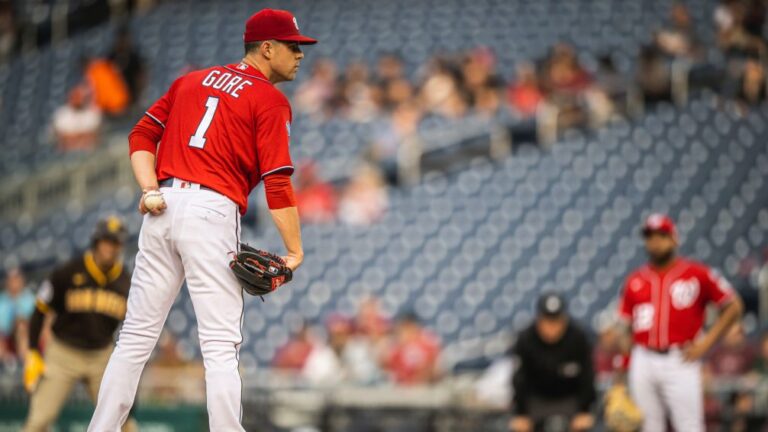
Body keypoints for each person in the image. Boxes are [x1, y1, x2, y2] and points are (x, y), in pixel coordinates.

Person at [88, 9, 314, 431]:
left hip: (164, 205)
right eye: (293, 46)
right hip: (212, 210)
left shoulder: (189, 81)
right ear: (266, 48)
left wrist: (149, 189)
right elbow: (278, 183)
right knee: (220, 347)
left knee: (134, 340)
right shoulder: (269, 99)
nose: (300, 55)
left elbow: (140, 135)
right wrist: (295, 251)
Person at [617, 213, 744, 432]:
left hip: (681, 357)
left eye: (661, 235)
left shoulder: (696, 274)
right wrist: (622, 369)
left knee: (689, 427)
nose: (655, 242)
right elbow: (626, 329)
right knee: (648, 427)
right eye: (650, 236)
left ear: (674, 238)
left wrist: (707, 343)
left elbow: (733, 306)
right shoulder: (634, 279)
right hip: (643, 358)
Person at [22, 217, 132, 432]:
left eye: (115, 242)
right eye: (107, 241)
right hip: (64, 353)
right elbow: (40, 310)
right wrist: (33, 351)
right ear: (96, 241)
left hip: (101, 355)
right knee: (38, 421)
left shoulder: (126, 282)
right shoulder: (68, 272)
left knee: (123, 422)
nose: (110, 247)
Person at [509, 293, 596, 432]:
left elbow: (587, 375)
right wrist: (520, 413)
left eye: (556, 321)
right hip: (537, 399)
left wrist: (584, 409)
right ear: (539, 319)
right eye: (547, 321)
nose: (552, 327)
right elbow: (519, 379)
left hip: (569, 399)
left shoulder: (578, 338)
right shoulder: (526, 340)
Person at [384, 312, 440, 385]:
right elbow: (388, 368)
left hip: (424, 388)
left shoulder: (427, 344)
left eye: (405, 328)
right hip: (402, 389)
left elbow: (435, 371)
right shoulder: (396, 348)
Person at [52, 85, 103, 152]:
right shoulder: (62, 114)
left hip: (89, 151)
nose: (77, 100)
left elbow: (93, 136)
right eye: (75, 97)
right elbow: (62, 138)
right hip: (67, 152)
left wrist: (75, 137)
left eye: (80, 97)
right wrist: (80, 137)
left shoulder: (93, 112)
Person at [0, 267, 35, 359]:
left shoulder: (30, 299)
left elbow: (35, 321)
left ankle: (24, 363)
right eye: (11, 280)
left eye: (16, 279)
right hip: (5, 336)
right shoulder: (2, 300)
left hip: (24, 334)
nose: (14, 283)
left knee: (21, 328)